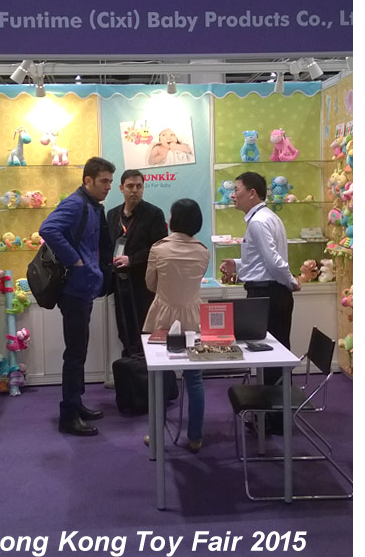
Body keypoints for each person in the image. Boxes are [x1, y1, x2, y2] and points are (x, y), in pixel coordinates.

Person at [219, 171, 301, 434]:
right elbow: (261, 260)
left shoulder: (258, 221)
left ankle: (274, 419)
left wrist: (290, 281)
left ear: (252, 193)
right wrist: (238, 264)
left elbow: (274, 262)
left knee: (271, 356)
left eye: (237, 190)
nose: (233, 195)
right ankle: (272, 417)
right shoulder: (267, 217)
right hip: (270, 292)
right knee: (273, 356)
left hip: (268, 294)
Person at [39, 157, 115, 436]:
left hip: (84, 288)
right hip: (74, 290)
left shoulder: (91, 205)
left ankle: (77, 403)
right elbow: (48, 229)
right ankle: (69, 415)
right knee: (74, 354)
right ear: (88, 181)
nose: (108, 187)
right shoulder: (76, 204)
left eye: (110, 181)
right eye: (104, 181)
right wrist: (76, 261)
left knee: (79, 351)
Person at [142, 198, 210, 452]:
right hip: (194, 318)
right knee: (195, 380)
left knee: (159, 378)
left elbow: (150, 283)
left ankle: (156, 435)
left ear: (172, 220)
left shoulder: (158, 249)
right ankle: (195, 436)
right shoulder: (203, 251)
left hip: (162, 317)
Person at [107, 169, 168, 355]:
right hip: (119, 283)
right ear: (121, 188)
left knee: (144, 329)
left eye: (139, 186)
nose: (134, 190)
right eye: (130, 186)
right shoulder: (112, 214)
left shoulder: (154, 214)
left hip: (143, 284)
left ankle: (145, 367)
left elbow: (160, 248)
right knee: (124, 330)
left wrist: (132, 259)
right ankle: (129, 366)